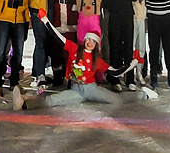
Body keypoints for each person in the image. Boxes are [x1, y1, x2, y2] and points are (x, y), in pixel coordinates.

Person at [11, 31, 157, 110]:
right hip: (76, 89)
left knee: (117, 100)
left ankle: (143, 95)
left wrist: (134, 63)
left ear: (96, 45)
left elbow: (115, 72)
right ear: (85, 40)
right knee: (52, 100)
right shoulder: (75, 49)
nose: (90, 43)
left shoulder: (97, 60)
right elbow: (59, 37)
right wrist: (45, 20)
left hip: (91, 89)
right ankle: (24, 104)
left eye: (93, 41)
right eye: (89, 39)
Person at [102, 0, 140, 91]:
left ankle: (130, 78)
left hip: (127, 16)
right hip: (115, 17)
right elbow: (106, 2)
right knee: (115, 46)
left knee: (128, 47)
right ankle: (115, 78)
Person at [25, 0, 59, 88]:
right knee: (40, 42)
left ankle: (38, 71)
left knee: (46, 42)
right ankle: (39, 74)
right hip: (39, 11)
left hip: (49, 11)